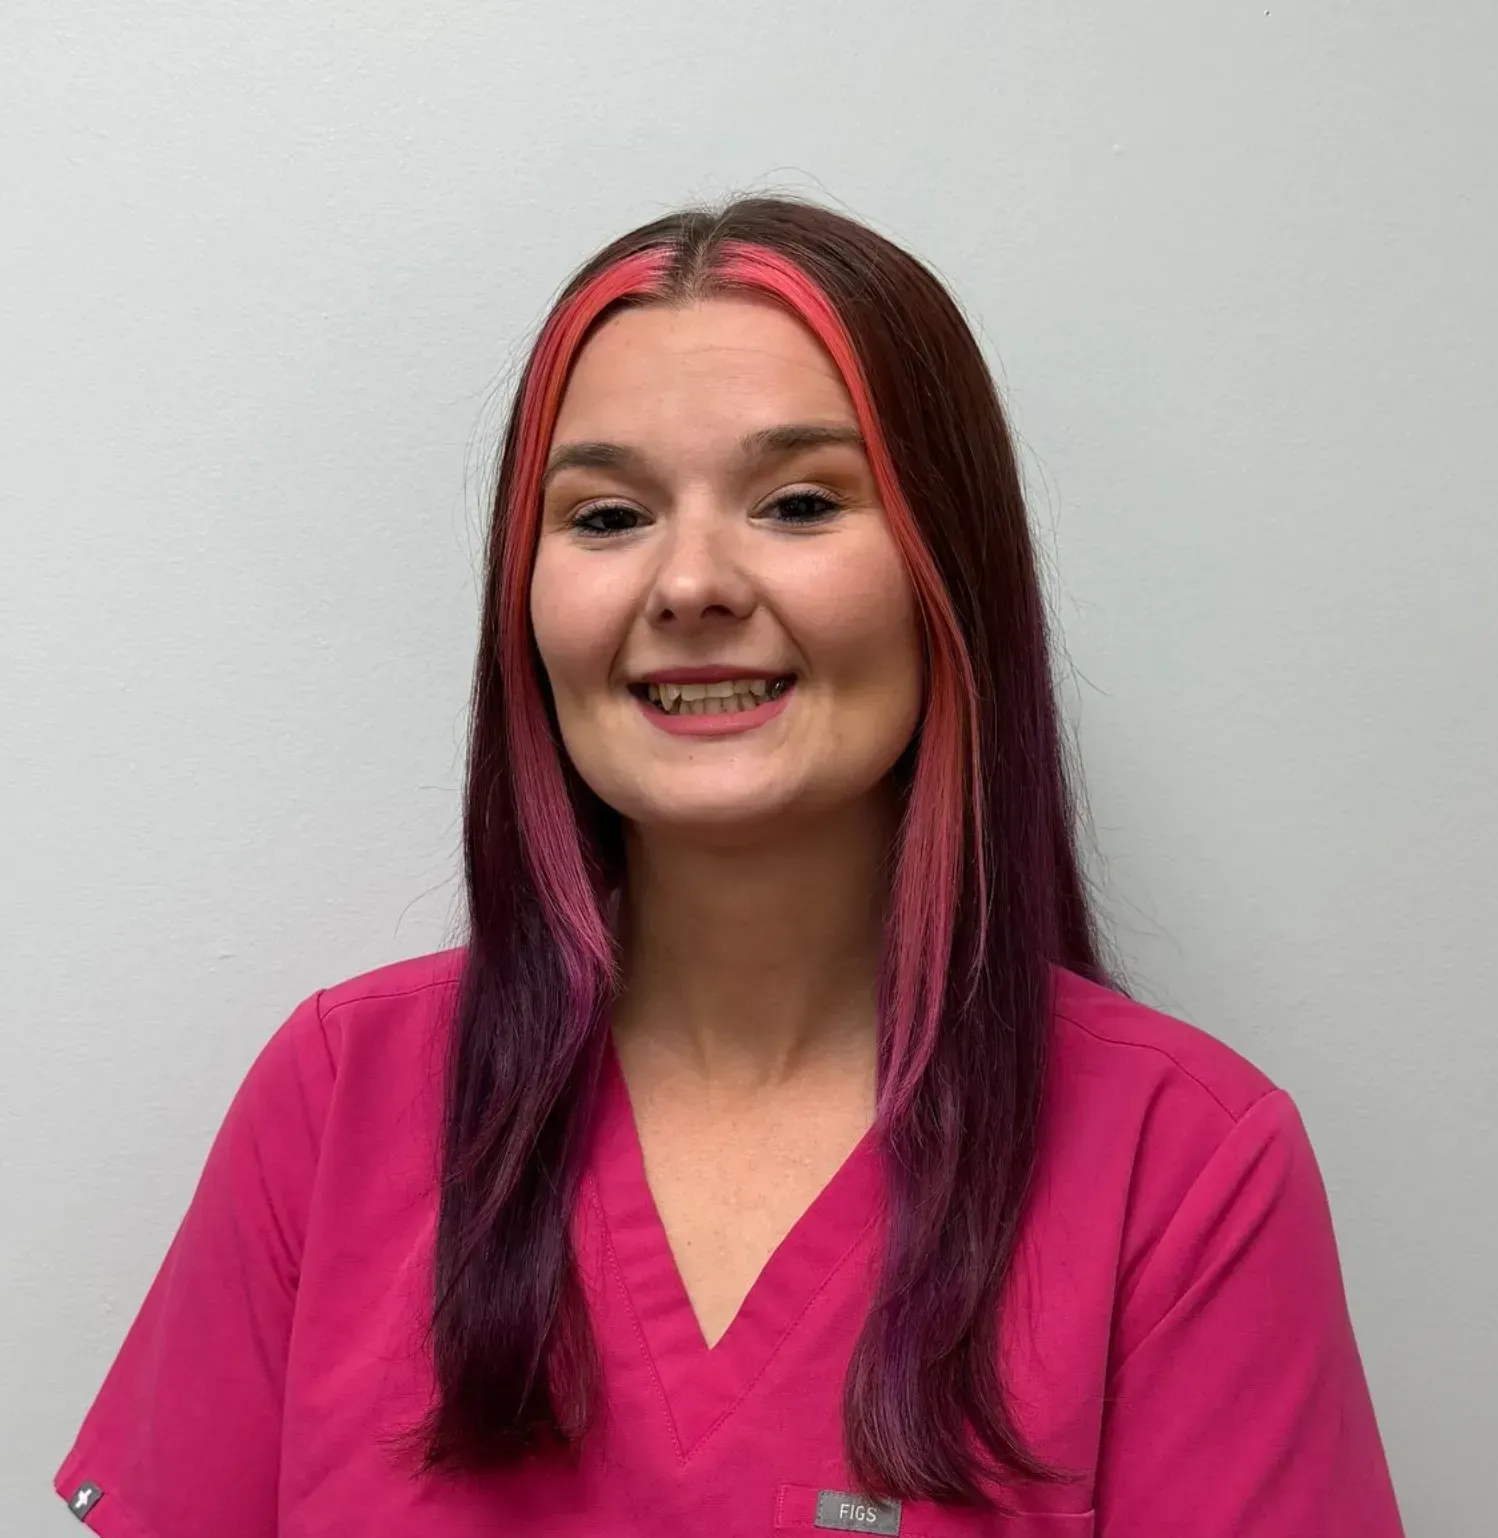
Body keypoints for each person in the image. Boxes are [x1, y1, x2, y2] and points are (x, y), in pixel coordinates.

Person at [53, 195, 1405, 1536]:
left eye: (798, 501)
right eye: (604, 516)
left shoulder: (1182, 1168)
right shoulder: (336, 1102)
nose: (689, 582)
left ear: (952, 577)